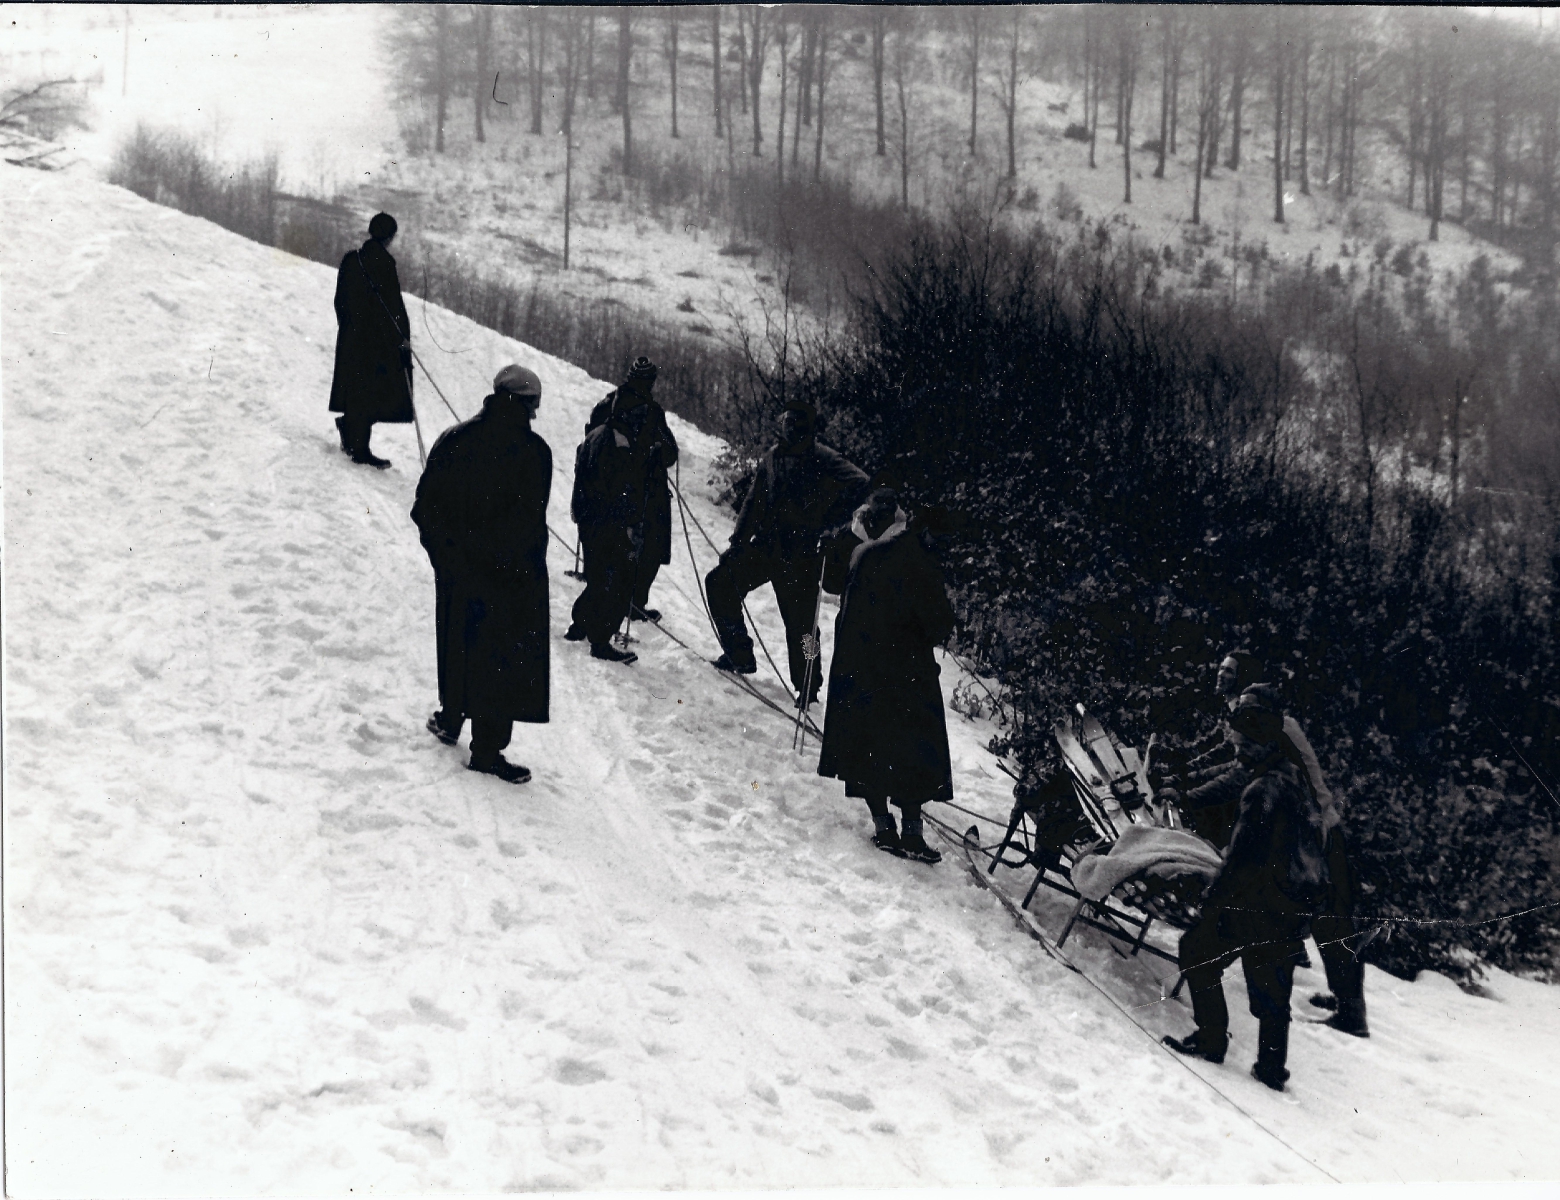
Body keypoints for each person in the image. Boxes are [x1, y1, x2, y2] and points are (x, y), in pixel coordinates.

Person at [1161, 686, 1329, 1092]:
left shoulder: (1262, 791)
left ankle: (1211, 1038)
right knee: (1273, 987)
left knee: (1197, 949)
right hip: (1297, 900)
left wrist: (1210, 901)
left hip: (1263, 902)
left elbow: (1240, 863)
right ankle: (1272, 1070)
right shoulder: (1289, 776)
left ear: (1258, 743)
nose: (1236, 752)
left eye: (1241, 746)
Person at [410, 364, 552, 783]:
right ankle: (487, 750)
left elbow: (425, 508)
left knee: (458, 643)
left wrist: (446, 558)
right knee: (501, 663)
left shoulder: (455, 439)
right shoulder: (535, 452)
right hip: (512, 578)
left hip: (461, 571)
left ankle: (451, 718)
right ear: (528, 405)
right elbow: (530, 519)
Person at [817, 490, 957, 865]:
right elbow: (939, 623)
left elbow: (840, 597)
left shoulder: (867, 554)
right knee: (913, 751)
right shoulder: (924, 566)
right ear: (924, 530)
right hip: (908, 672)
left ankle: (884, 827)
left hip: (863, 666)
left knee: (868, 749)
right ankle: (910, 832)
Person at [706, 400, 869, 703]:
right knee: (719, 583)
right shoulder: (772, 457)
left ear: (808, 429)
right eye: (786, 422)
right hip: (766, 546)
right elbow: (752, 503)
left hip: (802, 555)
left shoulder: (824, 458)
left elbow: (862, 484)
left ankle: (810, 685)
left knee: (805, 630)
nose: (789, 428)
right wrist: (738, 544)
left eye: (796, 423)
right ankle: (738, 653)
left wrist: (831, 521)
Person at [567, 362, 674, 666]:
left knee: (612, 568)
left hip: (615, 501)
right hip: (622, 500)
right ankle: (601, 632)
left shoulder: (629, 409)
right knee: (620, 567)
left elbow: (669, 453)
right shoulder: (632, 412)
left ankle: (585, 623)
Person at [329, 212, 414, 469]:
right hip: (377, 344)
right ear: (389, 237)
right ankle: (359, 448)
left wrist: (349, 328)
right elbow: (394, 307)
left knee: (357, 390)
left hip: (352, 338)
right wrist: (403, 338)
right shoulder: (385, 264)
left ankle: (350, 431)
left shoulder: (351, 259)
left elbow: (339, 300)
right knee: (377, 393)